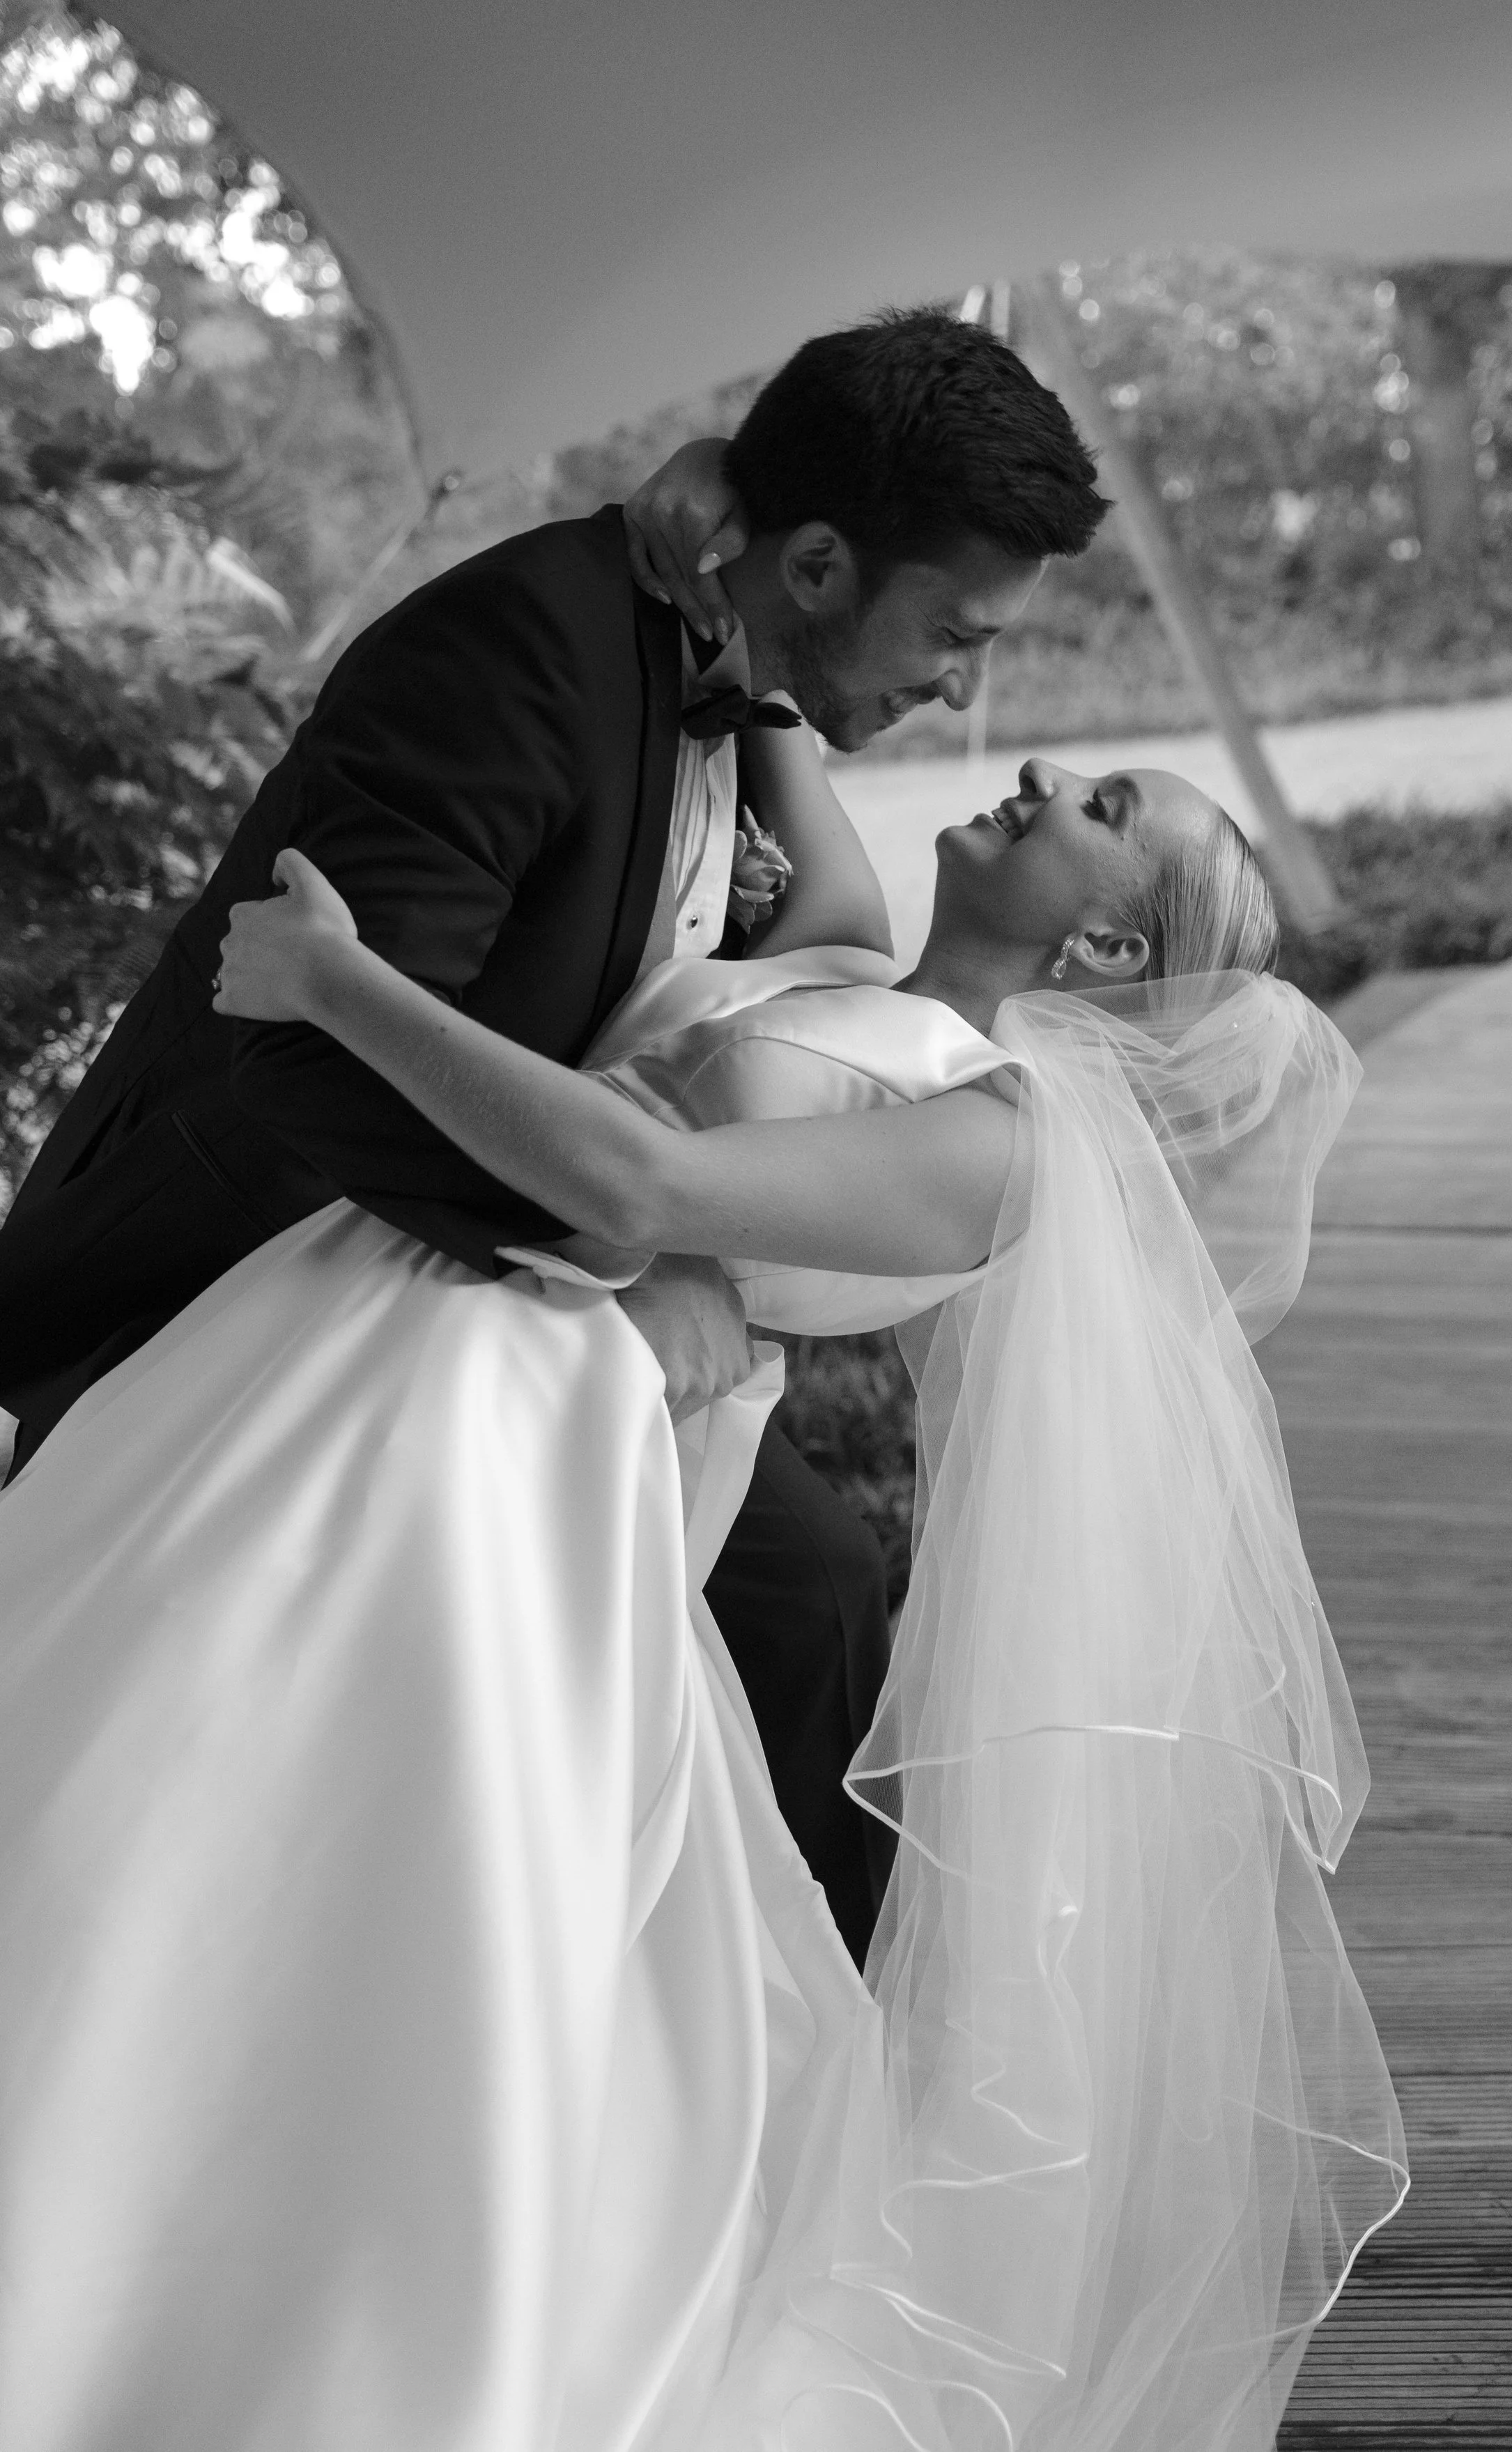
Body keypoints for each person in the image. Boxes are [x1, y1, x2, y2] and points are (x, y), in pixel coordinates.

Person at [0, 756, 1407, 2450]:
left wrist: (336, 983)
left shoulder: (992, 1143)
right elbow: (774, 713)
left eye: (1101, 809)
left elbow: (642, 1194)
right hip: (373, 1334)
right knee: (157, 1762)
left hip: (527, 1447)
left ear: (1106, 956)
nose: (1040, 770)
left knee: (325, 1825)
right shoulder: (853, 971)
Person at [0, 308, 1109, 1964]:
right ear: (811, 564)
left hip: (511, 1287)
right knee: (262, 1776)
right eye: (953, 630)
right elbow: (297, 1053)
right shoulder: (518, 650)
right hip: (257, 1264)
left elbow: (727, 973)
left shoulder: (723, 661)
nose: (966, 687)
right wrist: (611, 1258)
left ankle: (826, 2068)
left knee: (803, 1603)